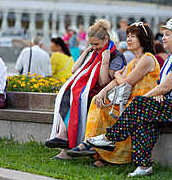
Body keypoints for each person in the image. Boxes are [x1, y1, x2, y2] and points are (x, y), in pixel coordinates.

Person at [87, 19, 172, 177]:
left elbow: (165, 86)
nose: (163, 37)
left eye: (168, 34)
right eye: (163, 34)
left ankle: (110, 138)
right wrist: (159, 94)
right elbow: (165, 86)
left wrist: (146, 99)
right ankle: (144, 166)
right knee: (143, 119)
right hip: (171, 104)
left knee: (139, 105)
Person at [68, 22, 160, 167]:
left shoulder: (147, 58)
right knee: (97, 102)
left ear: (143, 39)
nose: (128, 39)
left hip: (141, 104)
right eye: (128, 36)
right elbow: (116, 82)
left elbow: (126, 82)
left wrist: (117, 74)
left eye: (133, 36)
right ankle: (95, 149)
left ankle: (104, 153)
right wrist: (102, 92)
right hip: (129, 101)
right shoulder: (133, 61)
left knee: (110, 111)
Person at [45, 19, 126, 160]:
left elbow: (103, 81)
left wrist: (105, 61)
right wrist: (87, 51)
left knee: (76, 97)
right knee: (67, 94)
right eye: (91, 44)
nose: (94, 47)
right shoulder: (92, 52)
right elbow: (74, 70)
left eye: (96, 44)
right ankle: (63, 136)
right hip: (87, 91)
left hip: (102, 92)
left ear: (106, 38)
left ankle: (65, 141)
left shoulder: (116, 56)